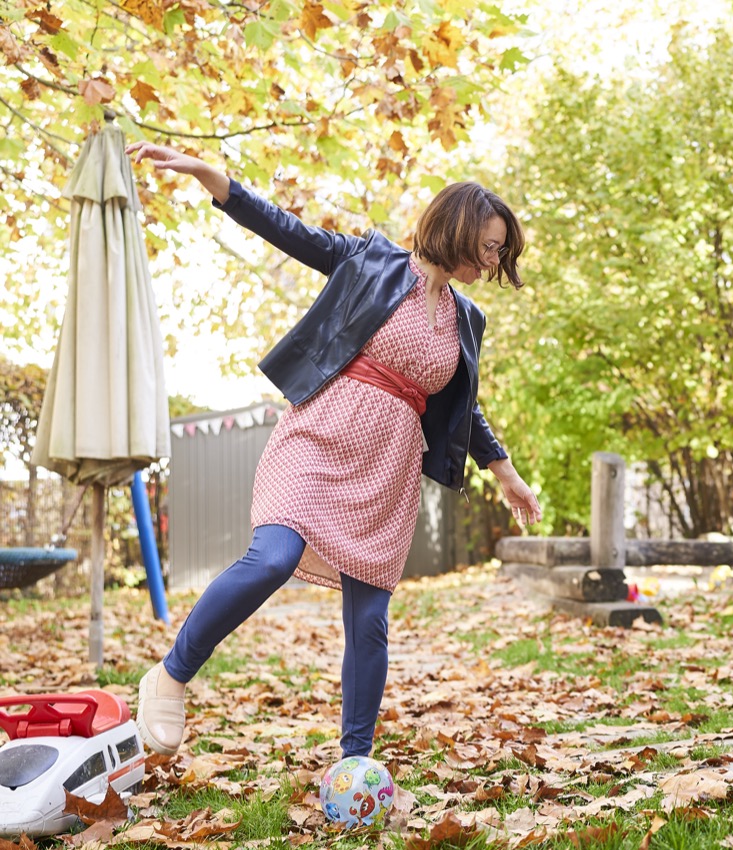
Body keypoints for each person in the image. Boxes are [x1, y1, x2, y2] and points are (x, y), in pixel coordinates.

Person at [126, 142, 541, 761]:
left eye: (499, 250)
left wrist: (504, 472)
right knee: (271, 558)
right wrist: (221, 184)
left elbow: (464, 407)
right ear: (455, 226)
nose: (494, 257)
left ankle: (355, 763)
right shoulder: (373, 261)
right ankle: (171, 675)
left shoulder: (464, 317)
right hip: (319, 437)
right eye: (489, 244)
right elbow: (291, 233)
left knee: (369, 620)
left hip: (387, 471)